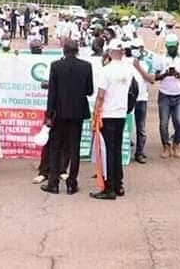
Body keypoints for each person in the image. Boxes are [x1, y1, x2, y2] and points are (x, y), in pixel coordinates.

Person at [41, 40, 94, 195]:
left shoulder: (56, 66)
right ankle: (72, 183)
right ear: (77, 51)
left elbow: (52, 93)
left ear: (63, 51)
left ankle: (53, 183)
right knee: (74, 148)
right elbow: (89, 90)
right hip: (77, 113)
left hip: (59, 112)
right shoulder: (86, 66)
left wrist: (49, 114)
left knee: (55, 148)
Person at [90, 39, 133, 200]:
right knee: (116, 150)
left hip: (107, 114)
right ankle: (118, 184)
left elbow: (101, 96)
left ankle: (109, 188)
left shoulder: (106, 70)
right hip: (121, 113)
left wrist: (95, 114)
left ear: (109, 52)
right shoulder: (128, 70)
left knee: (107, 150)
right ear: (122, 52)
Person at [154, 34, 180, 158]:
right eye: (168, 47)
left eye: (172, 47)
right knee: (163, 123)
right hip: (164, 94)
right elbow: (156, 76)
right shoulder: (161, 58)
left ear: (177, 45)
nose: (170, 49)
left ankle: (176, 144)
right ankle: (166, 146)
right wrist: (165, 74)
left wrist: (178, 75)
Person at [130, 38, 154, 164]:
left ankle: (140, 152)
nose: (135, 50)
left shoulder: (148, 62)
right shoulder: (125, 62)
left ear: (142, 49)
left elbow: (152, 79)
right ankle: (123, 150)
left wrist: (138, 67)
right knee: (125, 126)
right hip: (127, 100)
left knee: (141, 127)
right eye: (133, 47)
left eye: (137, 47)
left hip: (141, 99)